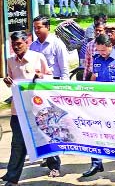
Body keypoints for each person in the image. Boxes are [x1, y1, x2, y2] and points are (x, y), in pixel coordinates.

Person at [1, 31, 51, 186]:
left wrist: (41, 76)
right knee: (17, 143)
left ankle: (54, 164)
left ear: (27, 43)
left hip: (37, 108)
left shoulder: (38, 57)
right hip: (18, 109)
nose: (16, 47)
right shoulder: (10, 61)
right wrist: (8, 82)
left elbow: (50, 77)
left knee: (45, 137)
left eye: (19, 44)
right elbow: (12, 82)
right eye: (13, 45)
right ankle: (12, 177)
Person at [82, 34, 115, 177]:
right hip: (100, 103)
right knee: (95, 131)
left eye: (104, 50)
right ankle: (96, 163)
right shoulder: (96, 59)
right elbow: (94, 77)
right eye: (99, 50)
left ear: (110, 46)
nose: (101, 53)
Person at [30, 15, 69, 176]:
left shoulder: (57, 44)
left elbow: (65, 69)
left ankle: (55, 166)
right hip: (38, 92)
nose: (36, 30)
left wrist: (65, 91)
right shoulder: (32, 46)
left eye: (39, 27)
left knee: (52, 127)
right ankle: (48, 156)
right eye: (35, 27)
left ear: (48, 27)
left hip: (54, 90)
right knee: (40, 125)